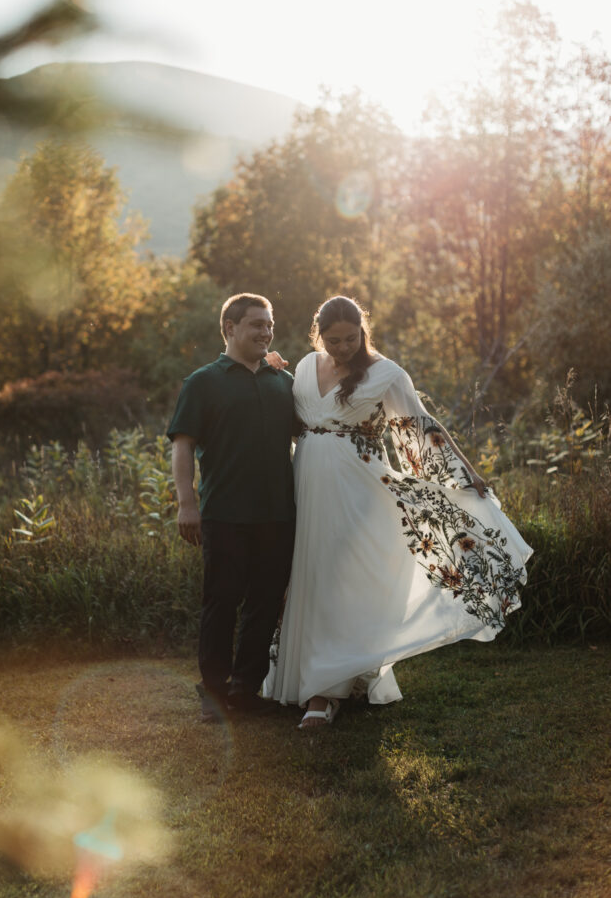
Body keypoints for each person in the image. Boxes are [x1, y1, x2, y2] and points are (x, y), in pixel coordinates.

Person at [264, 295, 532, 729]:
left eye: (351, 338)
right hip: (308, 486)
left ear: (363, 331)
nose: (342, 347)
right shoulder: (307, 366)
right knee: (309, 575)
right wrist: (275, 372)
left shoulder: (387, 374)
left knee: (342, 579)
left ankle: (325, 690)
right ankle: (317, 675)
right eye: (333, 340)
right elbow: (297, 419)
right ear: (318, 335)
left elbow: (421, 427)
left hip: (359, 490)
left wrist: (464, 475)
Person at [167, 293, 296, 722]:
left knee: (265, 602)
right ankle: (214, 692)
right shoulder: (203, 381)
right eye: (256, 324)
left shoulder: (284, 382)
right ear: (230, 328)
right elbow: (183, 445)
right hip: (223, 513)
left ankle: (246, 690)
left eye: (269, 323)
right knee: (221, 602)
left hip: (278, 513)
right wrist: (187, 504)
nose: (265, 331)